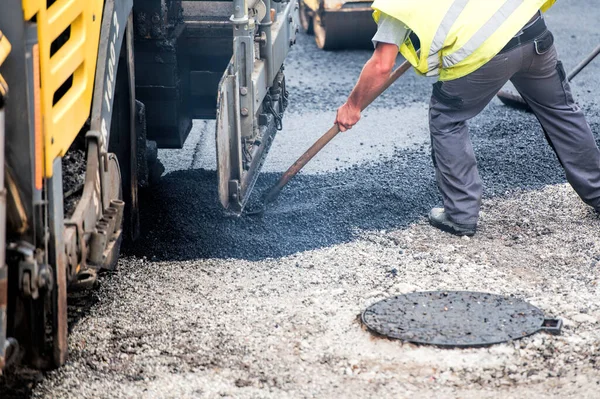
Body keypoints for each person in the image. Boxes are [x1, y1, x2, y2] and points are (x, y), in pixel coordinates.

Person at [335, 0, 600, 236]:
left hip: (488, 55)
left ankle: (460, 215)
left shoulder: (397, 6)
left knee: (446, 118)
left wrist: (352, 106)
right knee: (562, 111)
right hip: (533, 35)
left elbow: (381, 65)